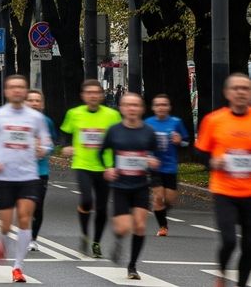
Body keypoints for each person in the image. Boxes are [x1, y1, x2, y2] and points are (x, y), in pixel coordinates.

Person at [0, 75, 52, 284]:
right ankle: (2, 239)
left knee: (25, 218)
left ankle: (18, 267)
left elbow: (46, 143)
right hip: (4, 176)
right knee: (6, 223)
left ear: (26, 91)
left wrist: (42, 149)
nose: (17, 91)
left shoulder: (35, 118)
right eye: (13, 87)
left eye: (21, 87)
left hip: (29, 175)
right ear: (6, 92)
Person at [196, 72, 251, 287]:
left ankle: (241, 284)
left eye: (245, 88)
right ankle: (222, 272)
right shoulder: (214, 120)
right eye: (236, 88)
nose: (240, 92)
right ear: (227, 93)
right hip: (224, 191)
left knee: (249, 245)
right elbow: (201, 152)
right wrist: (213, 162)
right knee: (229, 240)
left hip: (249, 192)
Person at [60, 77, 121, 257]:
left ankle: (96, 241)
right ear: (83, 96)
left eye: (96, 93)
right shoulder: (74, 113)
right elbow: (64, 133)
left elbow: (119, 138)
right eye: (89, 93)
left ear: (102, 96)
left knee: (102, 208)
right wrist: (66, 146)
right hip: (82, 164)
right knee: (87, 200)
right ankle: (85, 233)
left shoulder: (112, 115)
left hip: (105, 167)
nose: (93, 96)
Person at [101, 91, 158, 280]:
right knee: (123, 228)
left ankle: (132, 266)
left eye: (136, 105)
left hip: (141, 185)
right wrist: (108, 168)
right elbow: (102, 152)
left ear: (141, 109)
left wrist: (152, 162)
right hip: (120, 186)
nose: (132, 108)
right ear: (122, 108)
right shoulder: (114, 130)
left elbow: (154, 155)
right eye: (128, 105)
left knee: (140, 226)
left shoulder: (148, 132)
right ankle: (118, 240)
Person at [145, 93, 189, 237]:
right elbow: (141, 143)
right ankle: (163, 226)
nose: (161, 107)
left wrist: (179, 141)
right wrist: (148, 157)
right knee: (158, 197)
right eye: (158, 105)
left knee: (169, 200)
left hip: (170, 167)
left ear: (169, 107)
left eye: (164, 104)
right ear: (153, 107)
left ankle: (160, 209)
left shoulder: (176, 122)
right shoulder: (148, 123)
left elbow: (186, 142)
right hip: (155, 167)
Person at [25, 88, 58, 251]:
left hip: (40, 171)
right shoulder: (18, 121)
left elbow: (52, 144)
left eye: (37, 101)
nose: (34, 103)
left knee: (37, 206)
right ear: (25, 102)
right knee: (24, 205)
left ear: (42, 104)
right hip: (20, 170)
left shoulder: (47, 122)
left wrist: (44, 149)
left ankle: (33, 238)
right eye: (31, 100)